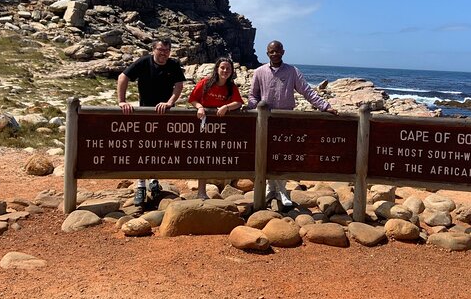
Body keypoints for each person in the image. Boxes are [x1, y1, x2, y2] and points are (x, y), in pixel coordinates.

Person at [247, 40, 337, 210]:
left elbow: (307, 91)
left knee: (283, 155)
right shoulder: (259, 72)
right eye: (271, 52)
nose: (275, 54)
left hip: (286, 122)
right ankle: (269, 188)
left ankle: (281, 190)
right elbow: (253, 95)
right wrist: (254, 107)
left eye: (277, 51)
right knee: (266, 153)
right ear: (267, 53)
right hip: (265, 122)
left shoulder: (293, 71)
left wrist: (325, 106)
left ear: (283, 52)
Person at [117, 37, 186, 206]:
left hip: (165, 114)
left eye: (167, 51)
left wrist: (170, 102)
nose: (164, 54)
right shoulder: (143, 62)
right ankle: (141, 185)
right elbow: (123, 77)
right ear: (153, 49)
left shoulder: (173, 65)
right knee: (142, 147)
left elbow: (179, 84)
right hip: (144, 112)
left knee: (159, 147)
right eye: (161, 50)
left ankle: (154, 180)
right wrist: (122, 101)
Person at [188, 57, 244, 199]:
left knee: (220, 157)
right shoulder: (205, 83)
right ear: (217, 69)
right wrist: (200, 107)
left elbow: (238, 102)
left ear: (232, 71)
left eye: (228, 69)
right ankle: (201, 192)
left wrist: (226, 106)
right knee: (203, 157)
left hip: (222, 128)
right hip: (205, 126)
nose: (225, 71)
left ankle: (225, 188)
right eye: (222, 68)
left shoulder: (232, 87)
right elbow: (192, 99)